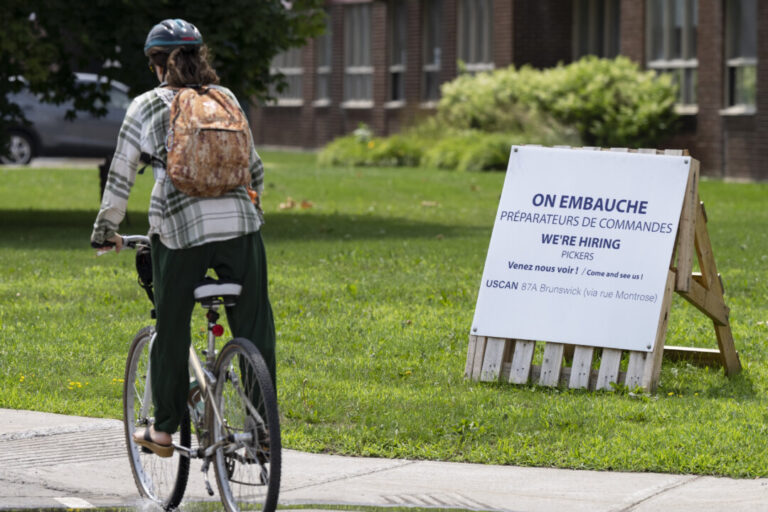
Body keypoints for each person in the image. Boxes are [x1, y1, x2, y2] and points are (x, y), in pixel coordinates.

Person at [90, 19, 276, 457]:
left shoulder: (145, 105)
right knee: (256, 326)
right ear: (201, 57)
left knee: (172, 326)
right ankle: (263, 429)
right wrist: (247, 210)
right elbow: (257, 170)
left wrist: (105, 232)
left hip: (178, 231)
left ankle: (163, 430)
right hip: (241, 230)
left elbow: (120, 177)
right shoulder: (226, 98)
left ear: (157, 65)